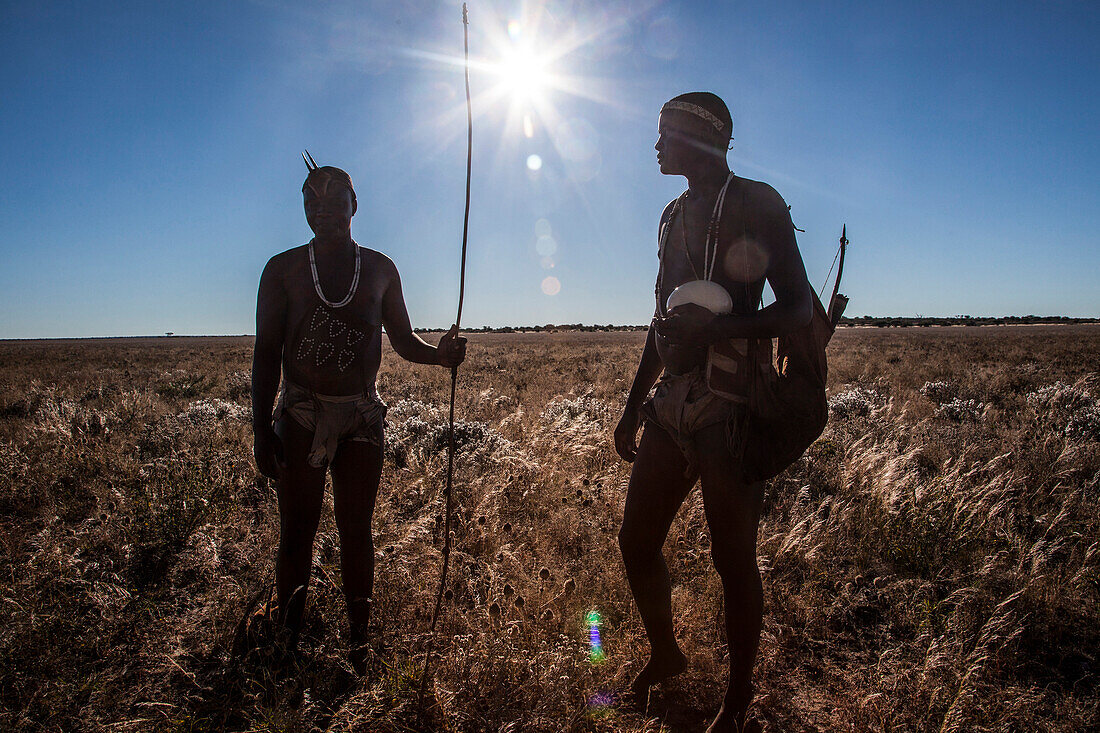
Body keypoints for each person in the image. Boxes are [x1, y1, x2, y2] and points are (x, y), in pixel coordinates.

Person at [614, 93, 813, 731]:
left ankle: (737, 697)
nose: (656, 144)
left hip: (733, 407)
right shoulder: (671, 216)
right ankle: (666, 653)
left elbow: (798, 310)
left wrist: (719, 335)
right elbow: (661, 323)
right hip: (671, 407)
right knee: (636, 540)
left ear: (703, 138)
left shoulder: (757, 203)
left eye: (666, 132)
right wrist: (632, 407)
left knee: (733, 559)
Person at [251, 158, 466, 671]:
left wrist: (439, 354)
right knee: (297, 531)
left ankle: (359, 643)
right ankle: (287, 638)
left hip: (361, 418)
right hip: (300, 415)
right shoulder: (281, 271)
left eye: (333, 200)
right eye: (311, 201)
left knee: (356, 530)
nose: (321, 210)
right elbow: (265, 353)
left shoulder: (380, 269)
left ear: (355, 205)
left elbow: (403, 341)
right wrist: (261, 429)